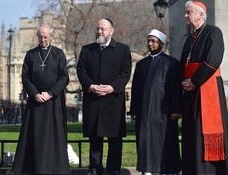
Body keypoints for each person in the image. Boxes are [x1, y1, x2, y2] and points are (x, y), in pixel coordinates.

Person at [10, 24, 70, 175]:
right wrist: (35, 93)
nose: (43, 40)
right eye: (40, 37)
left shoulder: (58, 54)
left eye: (45, 37)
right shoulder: (31, 55)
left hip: (53, 102)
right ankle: (33, 167)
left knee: (54, 136)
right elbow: (25, 77)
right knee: (34, 136)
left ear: (51, 36)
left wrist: (50, 93)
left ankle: (55, 168)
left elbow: (64, 77)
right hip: (35, 102)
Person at [77, 18, 132, 175]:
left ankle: (114, 168)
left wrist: (112, 87)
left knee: (114, 139)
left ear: (111, 31)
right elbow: (81, 71)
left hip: (113, 100)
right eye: (98, 29)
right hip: (93, 99)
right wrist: (91, 86)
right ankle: (94, 167)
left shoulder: (122, 50)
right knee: (95, 137)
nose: (99, 31)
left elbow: (125, 73)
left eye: (103, 29)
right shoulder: (87, 50)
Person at [180, 1, 228, 175]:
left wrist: (194, 81)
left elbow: (214, 60)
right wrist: (184, 82)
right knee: (192, 133)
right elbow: (183, 65)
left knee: (203, 133)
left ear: (200, 14)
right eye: (185, 12)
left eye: (189, 12)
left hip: (207, 88)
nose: (185, 15)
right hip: (191, 92)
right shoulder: (189, 38)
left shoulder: (213, 32)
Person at [130, 29, 182, 175]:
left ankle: (168, 170)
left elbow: (176, 89)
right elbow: (136, 89)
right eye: (148, 41)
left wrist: (176, 110)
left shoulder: (171, 63)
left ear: (161, 44)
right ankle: (147, 170)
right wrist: (134, 110)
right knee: (146, 142)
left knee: (165, 143)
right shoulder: (141, 64)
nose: (150, 44)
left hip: (164, 112)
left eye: (153, 41)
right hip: (144, 113)